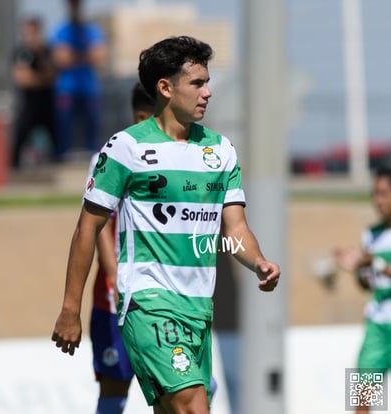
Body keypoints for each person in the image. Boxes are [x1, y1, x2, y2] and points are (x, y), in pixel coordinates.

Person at [52, 36, 280, 414]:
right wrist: (70, 308)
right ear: (165, 87)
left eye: (207, 82)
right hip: (149, 303)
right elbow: (88, 228)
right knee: (190, 405)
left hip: (199, 309)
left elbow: (236, 229)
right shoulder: (125, 148)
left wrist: (258, 262)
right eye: (197, 83)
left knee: (175, 409)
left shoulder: (220, 150)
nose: (207, 92)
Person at [88, 82, 155, 414]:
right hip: (114, 300)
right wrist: (113, 273)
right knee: (114, 389)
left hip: (161, 296)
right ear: (144, 115)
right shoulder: (112, 155)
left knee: (194, 389)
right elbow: (96, 222)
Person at [335, 166, 391, 413]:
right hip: (378, 324)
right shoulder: (371, 234)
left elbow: (377, 266)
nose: (377, 201)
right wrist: (357, 269)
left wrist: (374, 262)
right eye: (374, 194)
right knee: (362, 396)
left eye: (383, 193)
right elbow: (368, 284)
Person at [51, 0, 107, 161]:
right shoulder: (61, 30)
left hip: (89, 88)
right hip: (66, 89)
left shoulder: (92, 30)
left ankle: (95, 161)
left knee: (92, 126)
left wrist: (73, 55)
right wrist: (85, 55)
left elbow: (99, 56)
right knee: (64, 126)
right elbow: (60, 58)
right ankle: (61, 159)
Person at [11, 16, 57, 170]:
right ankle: (13, 169)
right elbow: (23, 78)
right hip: (28, 105)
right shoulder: (20, 52)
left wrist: (38, 75)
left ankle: (56, 167)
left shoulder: (46, 51)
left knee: (55, 137)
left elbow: (51, 76)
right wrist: (40, 79)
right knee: (20, 136)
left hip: (46, 103)